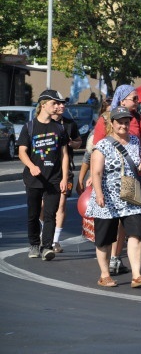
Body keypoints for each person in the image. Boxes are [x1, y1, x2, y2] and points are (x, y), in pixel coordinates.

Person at [85, 107, 141, 288]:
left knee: (136, 234)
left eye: (126, 122)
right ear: (112, 124)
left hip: (130, 189)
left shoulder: (134, 141)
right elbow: (97, 172)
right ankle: (105, 274)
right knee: (105, 238)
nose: (123, 125)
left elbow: (137, 163)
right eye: (120, 122)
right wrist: (99, 194)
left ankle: (137, 275)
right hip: (108, 193)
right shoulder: (102, 145)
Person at [17, 90, 69, 260]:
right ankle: (33, 244)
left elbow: (64, 155)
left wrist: (64, 177)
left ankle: (47, 247)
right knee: (33, 214)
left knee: (50, 214)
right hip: (34, 178)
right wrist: (31, 166)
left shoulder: (59, 128)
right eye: (54, 103)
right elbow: (22, 151)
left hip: (53, 179)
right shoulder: (29, 127)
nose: (57, 106)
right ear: (43, 104)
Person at [47, 101, 82, 252]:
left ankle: (55, 240)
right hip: (45, 171)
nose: (62, 107)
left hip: (65, 170)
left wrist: (72, 143)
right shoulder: (43, 123)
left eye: (63, 104)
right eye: (58, 104)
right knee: (44, 206)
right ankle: (46, 231)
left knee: (61, 204)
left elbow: (78, 142)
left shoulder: (69, 124)